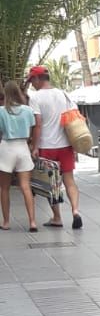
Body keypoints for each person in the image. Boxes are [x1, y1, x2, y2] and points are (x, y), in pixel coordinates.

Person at [27, 65, 83, 230]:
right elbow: (74, 115)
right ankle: (75, 211)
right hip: (65, 145)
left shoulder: (35, 98)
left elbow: (37, 125)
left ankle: (57, 217)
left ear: (38, 79)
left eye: (32, 80)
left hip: (46, 146)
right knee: (69, 180)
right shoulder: (62, 94)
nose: (31, 84)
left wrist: (34, 146)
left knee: (51, 184)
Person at [0, 81, 39, 232]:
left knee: (4, 188)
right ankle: (33, 222)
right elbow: (31, 128)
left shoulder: (1, 111)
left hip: (6, 147)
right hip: (22, 147)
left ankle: (6, 221)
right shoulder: (28, 110)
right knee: (26, 186)